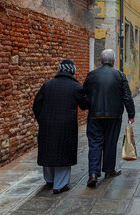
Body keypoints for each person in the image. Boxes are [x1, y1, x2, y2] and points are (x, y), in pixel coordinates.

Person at [33, 59, 88, 194]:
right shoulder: (76, 87)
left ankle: (50, 180)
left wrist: (42, 120)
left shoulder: (47, 85)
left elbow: (36, 105)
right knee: (63, 152)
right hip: (66, 126)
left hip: (47, 124)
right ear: (72, 71)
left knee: (48, 151)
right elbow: (85, 105)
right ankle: (60, 185)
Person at [83, 49, 135, 188]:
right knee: (110, 143)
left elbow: (84, 96)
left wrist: (87, 106)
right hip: (114, 116)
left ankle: (93, 174)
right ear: (113, 61)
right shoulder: (120, 75)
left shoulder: (92, 75)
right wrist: (131, 114)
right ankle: (109, 170)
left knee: (94, 144)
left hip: (95, 115)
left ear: (101, 61)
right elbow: (127, 97)